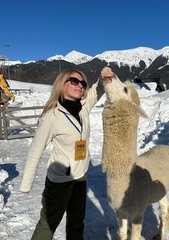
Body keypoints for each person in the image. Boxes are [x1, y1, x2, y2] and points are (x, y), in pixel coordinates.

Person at [20, 67, 114, 240]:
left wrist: (103, 78)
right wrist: (26, 184)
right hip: (59, 180)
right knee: (48, 223)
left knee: (77, 220)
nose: (80, 86)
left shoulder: (83, 107)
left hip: (80, 176)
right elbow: (35, 152)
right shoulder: (51, 117)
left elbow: (97, 89)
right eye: (74, 81)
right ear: (62, 85)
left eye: (82, 83)